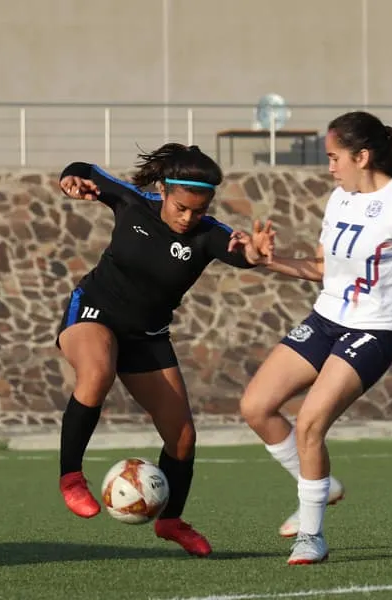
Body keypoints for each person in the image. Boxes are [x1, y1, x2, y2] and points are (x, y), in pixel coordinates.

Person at [232, 111, 392, 565]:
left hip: (373, 331)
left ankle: (311, 536)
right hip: (325, 319)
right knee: (255, 406)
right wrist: (266, 261)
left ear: (362, 156)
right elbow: (321, 270)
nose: (330, 167)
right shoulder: (339, 199)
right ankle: (323, 486)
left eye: (334, 157)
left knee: (310, 422)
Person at [54, 143, 267, 558]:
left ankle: (171, 521)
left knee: (182, 437)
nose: (188, 218)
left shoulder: (208, 234)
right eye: (181, 208)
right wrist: (70, 180)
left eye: (198, 211)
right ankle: (71, 478)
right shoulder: (133, 203)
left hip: (147, 335)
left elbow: (243, 254)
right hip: (94, 312)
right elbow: (84, 168)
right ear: (164, 191)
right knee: (97, 373)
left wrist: (256, 253)